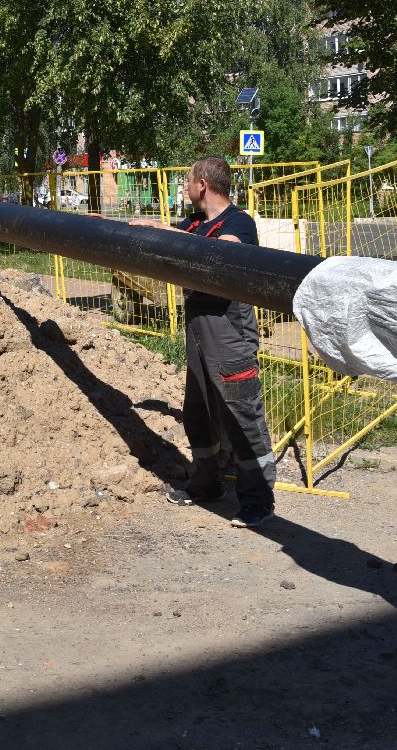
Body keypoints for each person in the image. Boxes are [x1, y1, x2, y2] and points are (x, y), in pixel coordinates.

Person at [132, 156, 276, 526]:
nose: (183, 187)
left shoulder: (238, 223)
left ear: (203, 186)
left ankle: (258, 498)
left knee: (240, 411)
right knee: (199, 411)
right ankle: (206, 482)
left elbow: (218, 253)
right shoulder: (195, 222)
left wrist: (162, 230)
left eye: (186, 180)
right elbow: (178, 241)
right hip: (197, 325)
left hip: (229, 329)